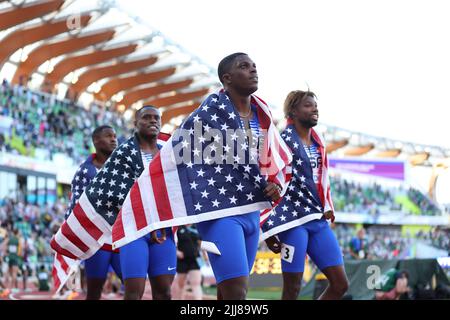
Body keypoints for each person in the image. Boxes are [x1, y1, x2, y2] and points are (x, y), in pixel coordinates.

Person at [193, 53, 284, 299]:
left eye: (254, 66)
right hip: (221, 210)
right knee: (237, 294)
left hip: (252, 212)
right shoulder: (209, 113)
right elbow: (186, 160)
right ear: (227, 78)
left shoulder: (263, 117)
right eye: (244, 67)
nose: (253, 70)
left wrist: (274, 185)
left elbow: (269, 168)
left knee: (227, 293)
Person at [262, 90, 349, 300]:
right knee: (292, 289)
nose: (315, 109)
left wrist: (326, 204)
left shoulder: (320, 143)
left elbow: (321, 180)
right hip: (292, 223)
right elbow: (267, 183)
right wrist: (267, 228)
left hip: (317, 219)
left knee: (340, 284)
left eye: (315, 105)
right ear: (293, 111)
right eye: (308, 105)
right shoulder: (281, 142)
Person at [118, 106, 177, 300]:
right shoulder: (123, 154)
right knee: (134, 293)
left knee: (164, 292)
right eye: (147, 118)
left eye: (156, 118)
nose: (153, 121)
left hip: (162, 231)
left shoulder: (168, 155)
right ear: (136, 123)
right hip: (134, 229)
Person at [66, 125, 121, 300]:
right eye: (108, 136)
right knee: (94, 292)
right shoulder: (85, 171)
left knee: (134, 284)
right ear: (96, 141)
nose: (114, 139)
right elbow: (75, 207)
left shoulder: (124, 168)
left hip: (122, 238)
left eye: (114, 136)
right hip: (98, 242)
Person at [173, 224, 203, 300]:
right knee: (181, 284)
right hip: (182, 260)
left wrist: (205, 256)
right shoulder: (178, 228)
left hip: (194, 259)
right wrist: (176, 252)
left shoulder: (196, 227)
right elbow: (172, 242)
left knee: (196, 283)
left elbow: (200, 242)